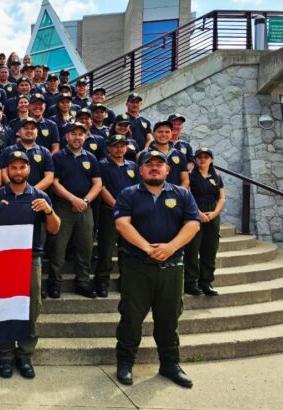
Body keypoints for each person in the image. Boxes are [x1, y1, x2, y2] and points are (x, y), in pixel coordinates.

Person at [114, 150, 200, 388]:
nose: (154, 167)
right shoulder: (128, 194)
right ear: (140, 170)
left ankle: (170, 364)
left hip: (171, 268)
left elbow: (193, 224)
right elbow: (122, 224)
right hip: (137, 267)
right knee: (131, 317)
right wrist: (148, 248)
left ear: (167, 169)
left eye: (159, 164)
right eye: (149, 164)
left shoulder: (182, 194)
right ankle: (125, 363)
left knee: (169, 319)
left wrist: (170, 247)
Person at [0, 150, 61, 379]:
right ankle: (5, 355)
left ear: (29, 169)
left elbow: (54, 229)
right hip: (3, 261)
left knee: (31, 309)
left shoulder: (39, 195)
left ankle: (24, 354)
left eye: (22, 167)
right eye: (14, 167)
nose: (18, 171)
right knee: (3, 307)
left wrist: (49, 211)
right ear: (7, 170)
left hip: (31, 259)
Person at [47, 122, 102, 299]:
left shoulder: (91, 158)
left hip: (85, 208)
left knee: (85, 247)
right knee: (58, 247)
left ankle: (83, 283)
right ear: (67, 136)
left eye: (80, 134)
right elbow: (54, 183)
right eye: (73, 134)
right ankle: (55, 282)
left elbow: (98, 183)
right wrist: (73, 199)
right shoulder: (58, 157)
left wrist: (84, 201)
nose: (77, 137)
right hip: (63, 207)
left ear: (85, 136)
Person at [94, 135, 140, 297]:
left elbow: (138, 188)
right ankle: (102, 282)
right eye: (115, 146)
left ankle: (126, 281)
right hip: (109, 212)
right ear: (108, 148)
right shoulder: (102, 165)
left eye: (122, 146)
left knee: (127, 249)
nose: (119, 149)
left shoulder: (133, 166)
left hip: (130, 214)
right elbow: (101, 188)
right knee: (106, 249)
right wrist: (118, 206)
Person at [184, 148, 225, 296]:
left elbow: (221, 198)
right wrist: (198, 213)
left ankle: (206, 282)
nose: (203, 159)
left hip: (212, 215)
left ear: (211, 160)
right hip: (194, 214)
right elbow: (186, 196)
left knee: (210, 249)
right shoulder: (190, 176)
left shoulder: (216, 176)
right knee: (192, 249)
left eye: (206, 157)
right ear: (195, 159)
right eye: (200, 157)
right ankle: (190, 283)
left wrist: (215, 213)